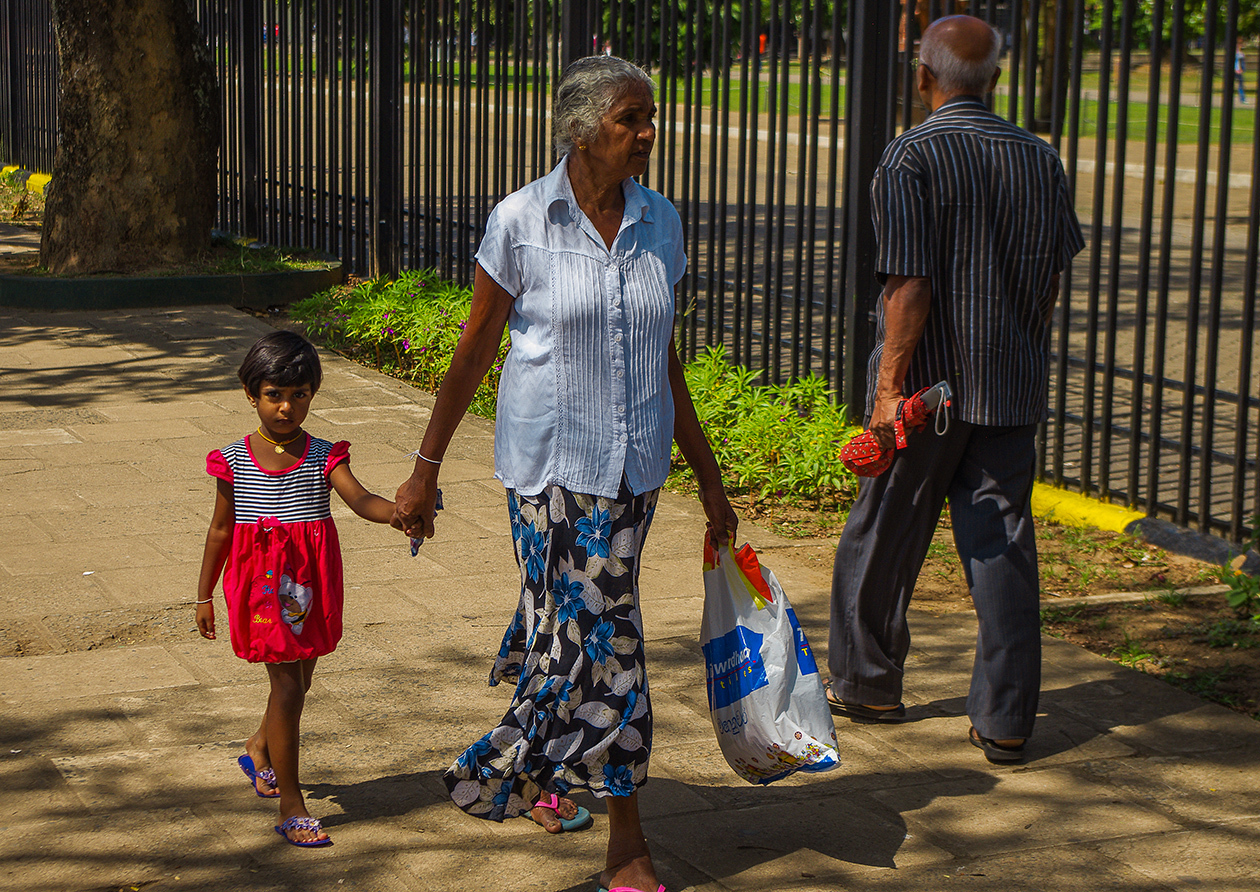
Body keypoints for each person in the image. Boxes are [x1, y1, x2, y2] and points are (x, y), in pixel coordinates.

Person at [392, 55, 738, 892]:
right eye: (632, 119)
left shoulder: (661, 220)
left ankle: (542, 775)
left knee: (567, 629)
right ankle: (620, 838)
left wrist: (710, 478)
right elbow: (476, 348)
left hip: (635, 475)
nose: (649, 133)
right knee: (610, 648)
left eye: (651, 117)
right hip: (550, 469)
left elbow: (666, 361)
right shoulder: (522, 219)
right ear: (582, 129)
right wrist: (424, 468)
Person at [825, 16, 1084, 765]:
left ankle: (869, 682)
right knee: (1001, 546)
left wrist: (886, 390)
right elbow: (1050, 282)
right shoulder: (1040, 157)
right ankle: (1005, 720)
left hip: (927, 395)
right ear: (995, 79)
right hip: (1010, 385)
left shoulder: (912, 156)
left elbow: (909, 284)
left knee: (882, 534)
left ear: (923, 77)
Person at [196, 331, 397, 847]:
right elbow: (220, 530)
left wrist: (400, 515)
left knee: (298, 684)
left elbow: (362, 500)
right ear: (251, 393)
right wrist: (203, 595)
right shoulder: (234, 460)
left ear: (312, 394)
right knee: (287, 689)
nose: (287, 407)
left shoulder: (326, 454)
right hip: (261, 589)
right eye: (274, 395)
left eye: (300, 395)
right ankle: (292, 803)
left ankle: (259, 748)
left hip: (309, 587)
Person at [1236, 37, 1247, 104]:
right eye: (1239, 43)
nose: (1240, 45)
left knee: (1241, 85)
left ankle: (1242, 99)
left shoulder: (1240, 53)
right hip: (1235, 70)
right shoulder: (1236, 53)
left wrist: (1242, 69)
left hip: (1239, 70)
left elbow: (1242, 62)